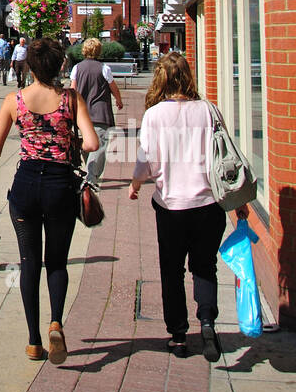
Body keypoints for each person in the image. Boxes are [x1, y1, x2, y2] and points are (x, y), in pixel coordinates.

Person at [0, 38, 99, 364]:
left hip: (25, 188)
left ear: (31, 67)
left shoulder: (15, 100)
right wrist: (70, 138)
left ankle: (34, 341)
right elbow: (91, 143)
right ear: (59, 65)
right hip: (59, 186)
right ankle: (55, 323)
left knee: (29, 263)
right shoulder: (70, 100)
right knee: (57, 262)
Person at [129, 53, 249, 360]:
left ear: (161, 79)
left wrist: (135, 184)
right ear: (188, 77)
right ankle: (207, 321)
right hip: (208, 204)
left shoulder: (155, 115)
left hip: (171, 206)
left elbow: (147, 160)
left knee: (172, 270)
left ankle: (179, 336)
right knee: (204, 267)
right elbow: (224, 157)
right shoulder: (209, 110)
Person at [69, 37, 123, 185]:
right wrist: (118, 100)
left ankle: (90, 173)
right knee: (99, 146)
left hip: (81, 114)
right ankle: (91, 177)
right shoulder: (104, 68)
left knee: (87, 145)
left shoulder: (77, 68)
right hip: (100, 113)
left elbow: (73, 90)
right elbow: (113, 87)